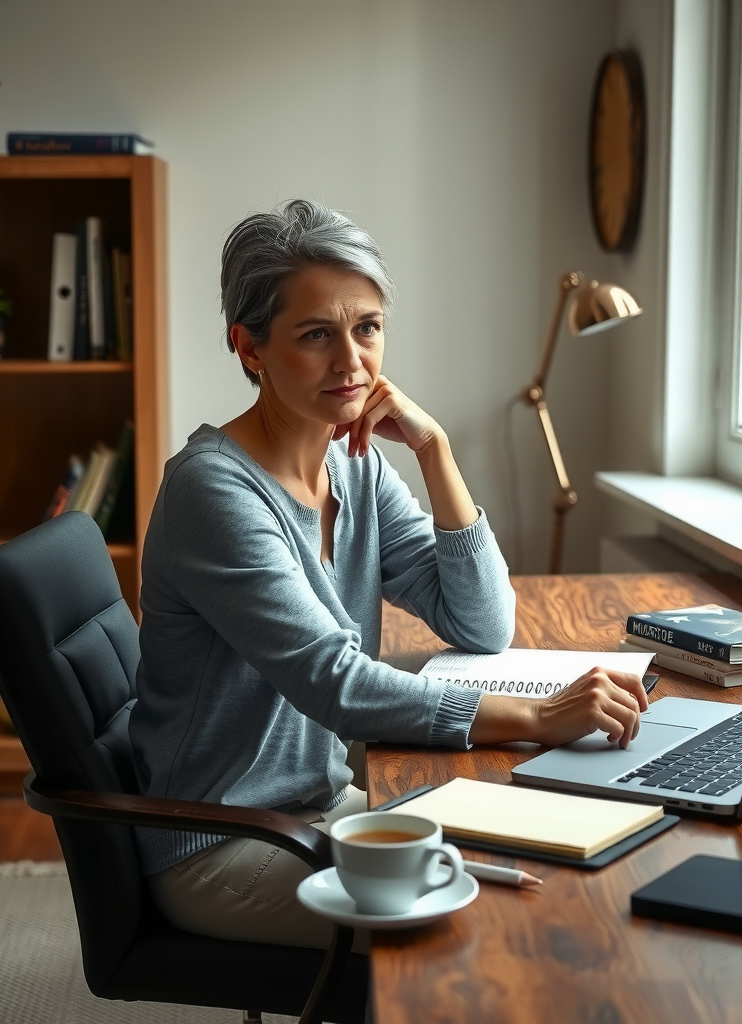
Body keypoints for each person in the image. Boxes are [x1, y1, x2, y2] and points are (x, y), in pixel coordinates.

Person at [130, 199, 648, 950]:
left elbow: (481, 623)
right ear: (250, 349)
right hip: (224, 843)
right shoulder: (213, 491)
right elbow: (335, 684)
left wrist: (435, 449)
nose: (352, 362)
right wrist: (534, 717)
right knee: (484, 930)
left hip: (320, 807)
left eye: (367, 327)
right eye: (316, 335)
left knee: (548, 869)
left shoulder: (355, 464)